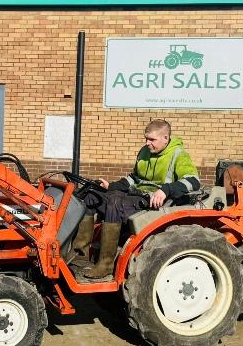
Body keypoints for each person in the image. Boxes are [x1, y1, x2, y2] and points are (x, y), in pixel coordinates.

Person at [72, 119, 201, 279]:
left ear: (165, 138)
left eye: (152, 139)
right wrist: (111, 186)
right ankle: (80, 255)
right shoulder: (145, 152)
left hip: (154, 202)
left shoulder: (179, 155)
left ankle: (105, 265)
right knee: (91, 196)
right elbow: (134, 178)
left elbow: (193, 181)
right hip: (135, 196)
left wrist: (165, 190)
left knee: (115, 203)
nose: (147, 143)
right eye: (146, 139)